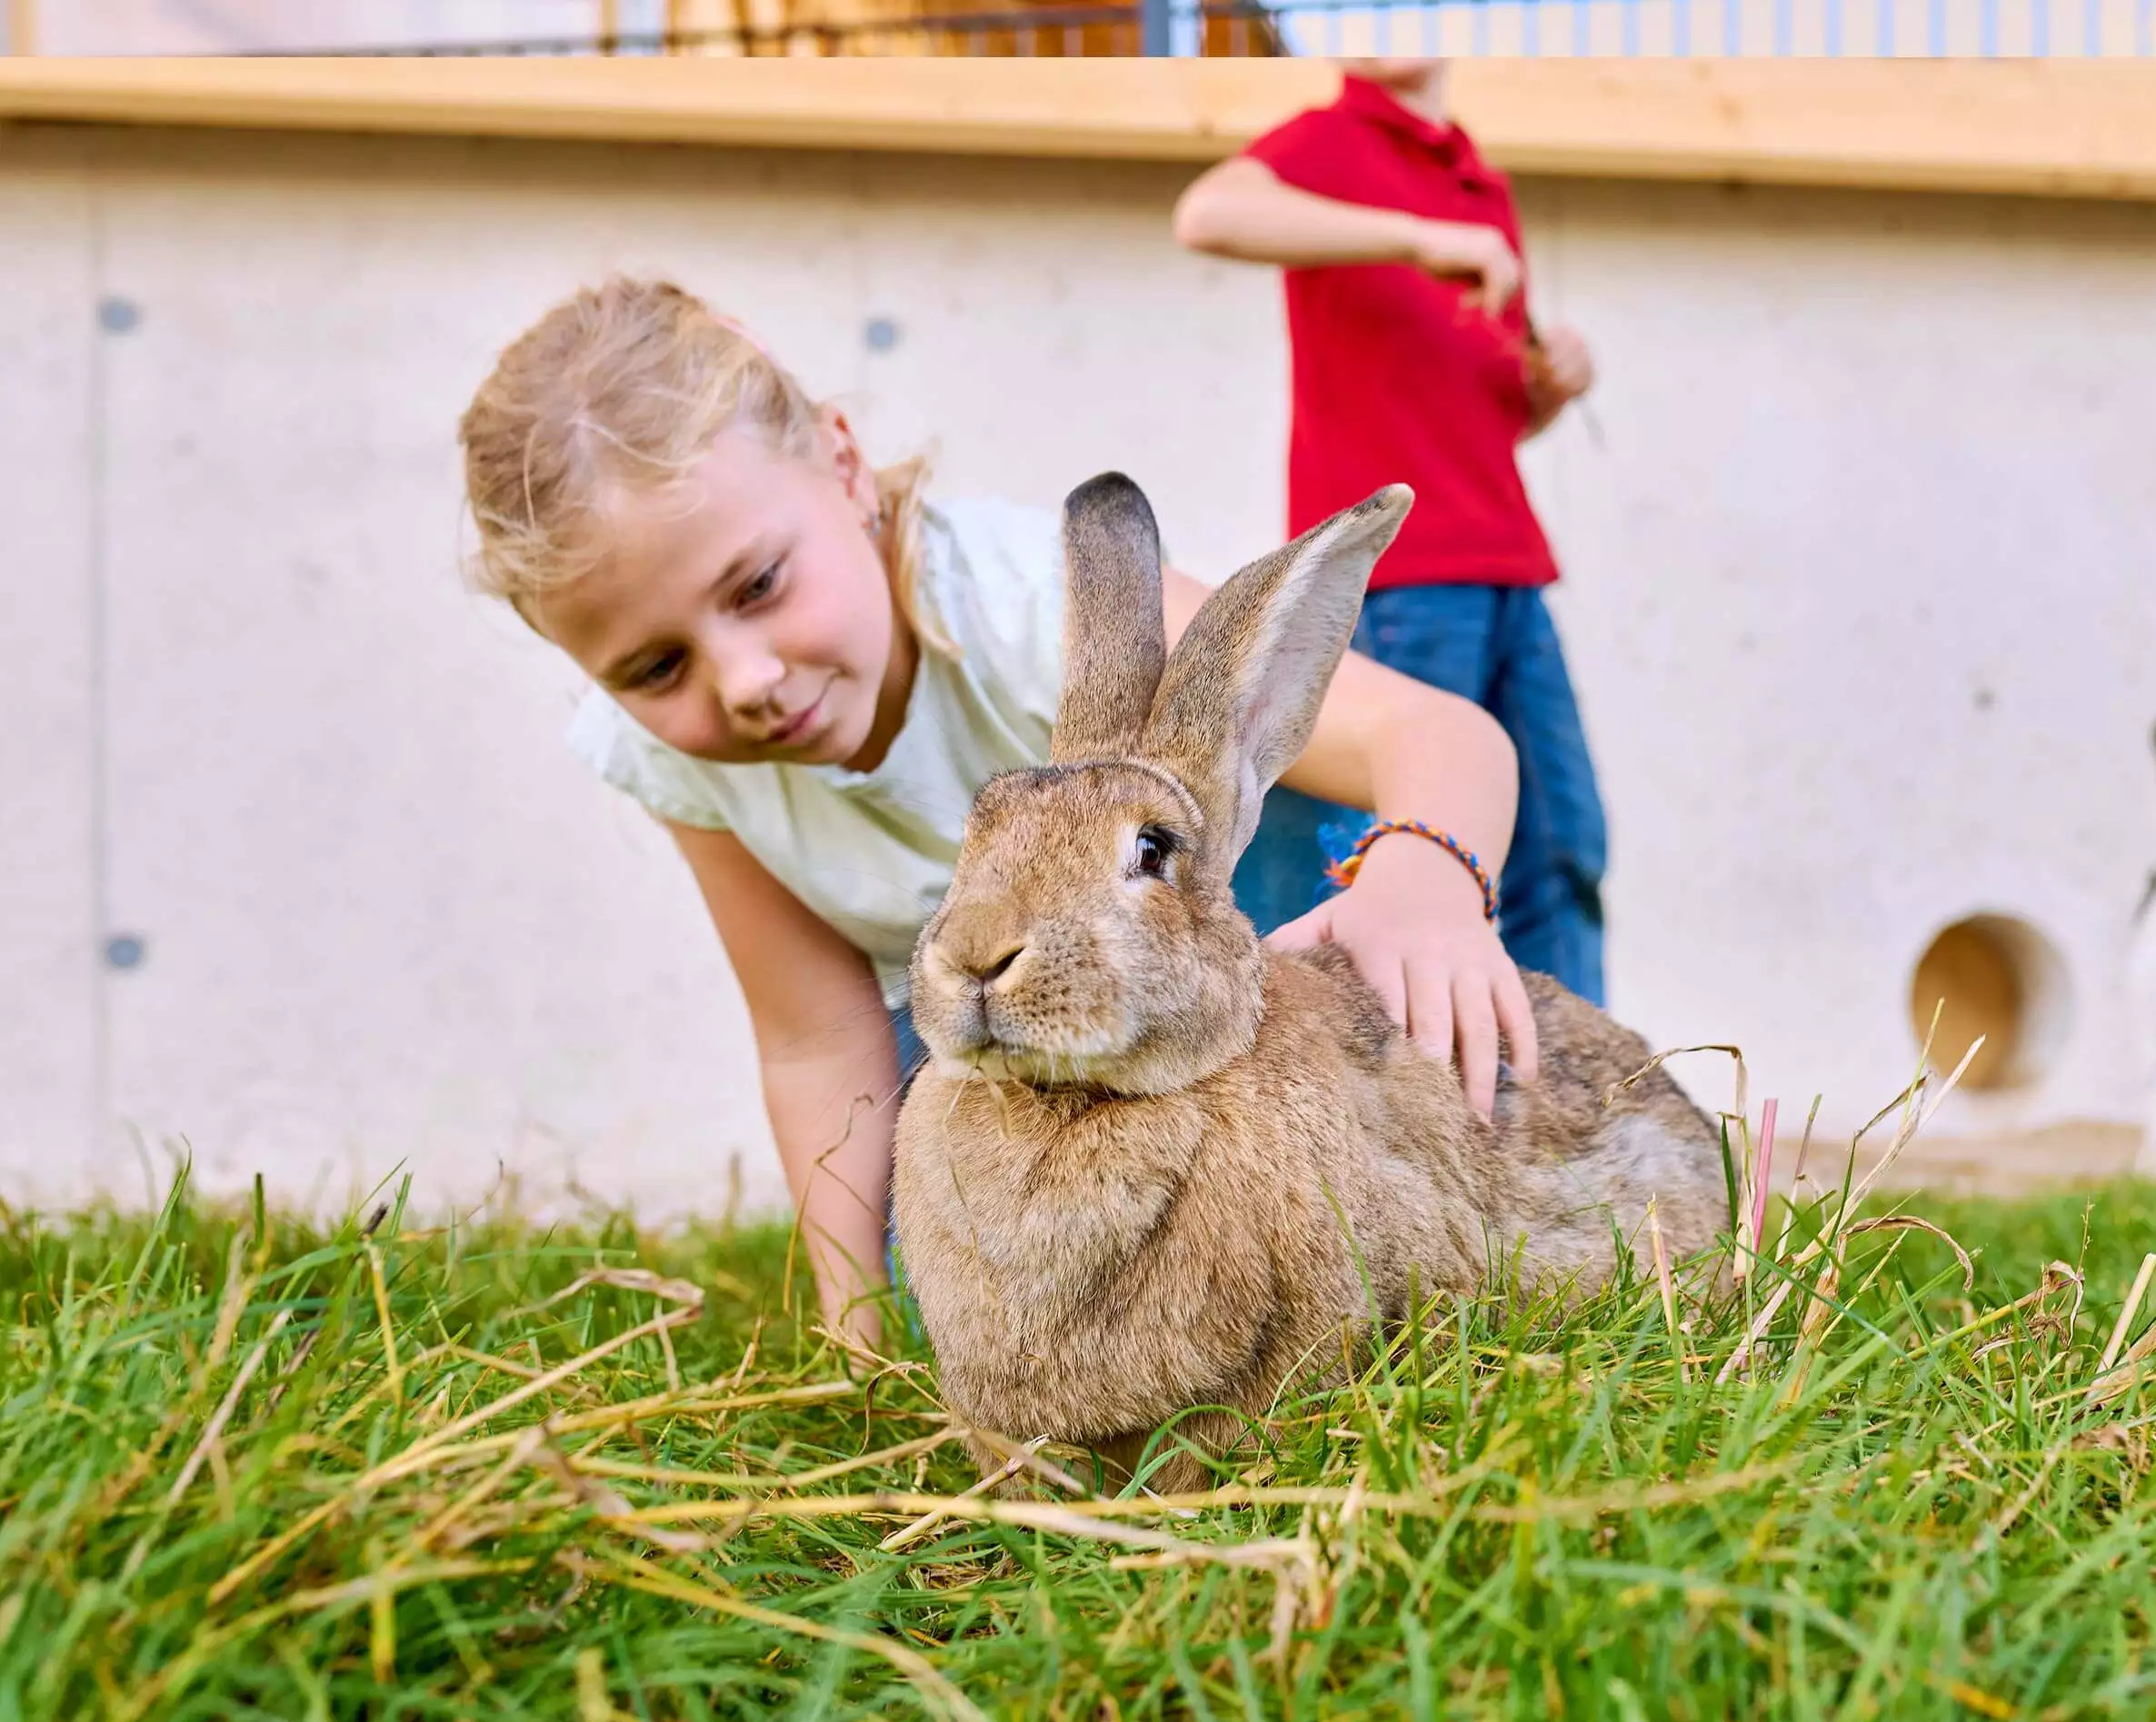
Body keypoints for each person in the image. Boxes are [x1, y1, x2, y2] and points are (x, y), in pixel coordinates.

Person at [458, 276, 1538, 1349]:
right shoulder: (681, 756)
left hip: (1243, 952)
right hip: (991, 1021)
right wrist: (855, 1318)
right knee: (951, 1290)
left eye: (757, 587)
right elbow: (812, 1031)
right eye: (655, 666)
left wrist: (1425, 889)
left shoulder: (1015, 601)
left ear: (843, 466)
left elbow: (1440, 738)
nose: (744, 678)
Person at [1173, 57, 1611, 1005]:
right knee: (1393, 864)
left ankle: (1569, 1104)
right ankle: (1400, 1108)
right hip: (1401, 578)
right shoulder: (1331, 138)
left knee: (1560, 856)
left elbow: (1485, 410)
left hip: (1507, 563)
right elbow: (1206, 212)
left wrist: (1549, 385)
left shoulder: (1477, 177)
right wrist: (1417, 237)